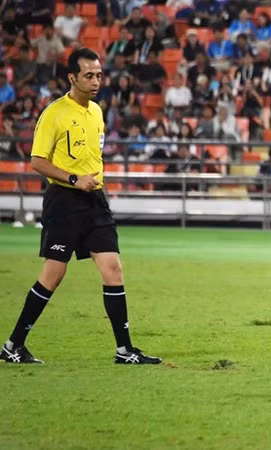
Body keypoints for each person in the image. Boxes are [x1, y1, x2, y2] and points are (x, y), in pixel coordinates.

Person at [1, 49, 161, 365]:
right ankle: (13, 345)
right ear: (72, 77)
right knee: (53, 275)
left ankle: (124, 350)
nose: (95, 81)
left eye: (99, 75)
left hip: (95, 201)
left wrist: (90, 181)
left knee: (113, 269)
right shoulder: (54, 114)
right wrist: (74, 179)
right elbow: (36, 161)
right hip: (65, 201)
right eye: (89, 75)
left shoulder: (97, 112)